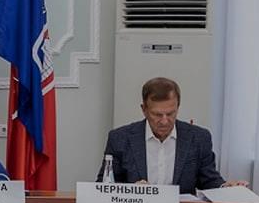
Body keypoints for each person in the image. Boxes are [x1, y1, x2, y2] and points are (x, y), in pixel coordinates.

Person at [97, 77, 247, 194]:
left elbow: (209, 181)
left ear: (178, 107)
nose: (164, 121)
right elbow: (103, 186)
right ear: (144, 109)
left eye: (170, 114)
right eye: (157, 114)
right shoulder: (120, 138)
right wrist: (131, 192)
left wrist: (226, 188)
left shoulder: (198, 138)